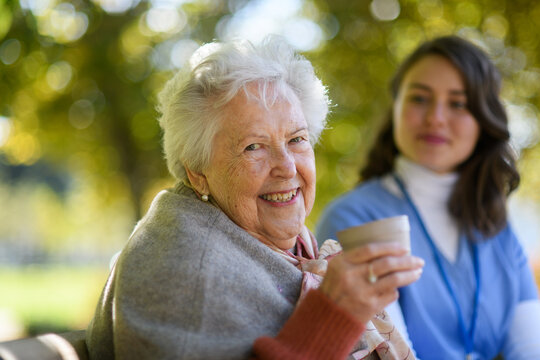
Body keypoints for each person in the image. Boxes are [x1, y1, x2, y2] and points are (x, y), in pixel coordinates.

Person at [85, 36, 424, 360]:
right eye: (253, 147)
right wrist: (331, 317)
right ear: (197, 173)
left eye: (297, 139)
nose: (286, 167)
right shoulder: (186, 272)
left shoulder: (279, 245)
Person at [316, 35, 540, 359]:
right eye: (420, 98)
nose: (436, 117)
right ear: (396, 107)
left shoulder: (497, 226)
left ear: (484, 120)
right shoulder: (354, 218)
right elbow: (390, 353)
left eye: (458, 103)